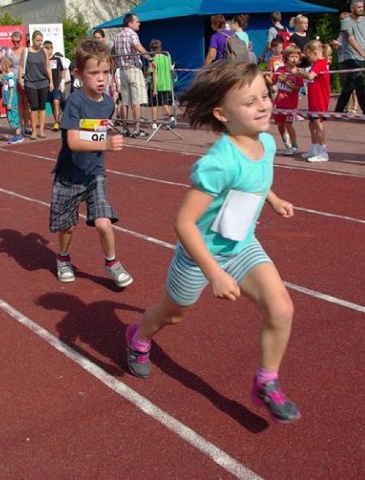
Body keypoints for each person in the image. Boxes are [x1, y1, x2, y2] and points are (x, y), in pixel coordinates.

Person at [123, 60, 299, 424]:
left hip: (242, 246)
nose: (264, 105)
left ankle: (266, 382)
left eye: (264, 96)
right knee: (174, 314)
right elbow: (184, 222)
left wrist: (274, 199)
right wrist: (214, 273)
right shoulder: (218, 162)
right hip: (199, 255)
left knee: (281, 309)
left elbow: (256, 180)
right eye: (250, 102)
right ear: (222, 114)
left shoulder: (265, 141)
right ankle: (138, 337)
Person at [50, 38, 133, 289]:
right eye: (94, 73)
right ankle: (63, 258)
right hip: (69, 174)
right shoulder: (74, 102)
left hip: (95, 173)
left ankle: (112, 263)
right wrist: (106, 144)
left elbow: (99, 131)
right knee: (67, 226)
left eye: (105, 72)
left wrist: (105, 140)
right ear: (78, 74)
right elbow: (74, 142)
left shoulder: (108, 103)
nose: (101, 78)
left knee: (103, 222)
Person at [113, 13, 152, 137]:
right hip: (133, 69)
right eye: (137, 21)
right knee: (137, 100)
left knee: (125, 101)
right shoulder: (132, 34)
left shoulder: (117, 36)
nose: (139, 23)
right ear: (130, 23)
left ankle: (124, 128)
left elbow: (111, 50)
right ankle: (137, 128)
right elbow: (138, 47)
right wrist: (150, 58)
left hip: (122, 70)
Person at [296, 41, 334, 163]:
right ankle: (314, 149)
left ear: (315, 53)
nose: (308, 58)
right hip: (313, 98)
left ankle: (323, 152)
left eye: (308, 56)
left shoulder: (320, 63)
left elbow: (311, 76)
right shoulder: (315, 63)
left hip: (319, 99)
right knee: (312, 124)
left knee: (318, 124)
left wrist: (299, 73)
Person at [270, 44, 306, 156]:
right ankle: (287, 145)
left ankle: (295, 146)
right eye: (292, 56)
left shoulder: (298, 73)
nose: (295, 59)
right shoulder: (280, 70)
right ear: (286, 58)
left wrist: (286, 82)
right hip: (279, 103)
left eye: (297, 57)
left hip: (291, 104)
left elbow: (297, 89)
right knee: (280, 125)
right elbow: (272, 81)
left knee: (288, 124)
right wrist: (266, 78)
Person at [19, 30, 52, 139]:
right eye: (38, 40)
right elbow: (21, 66)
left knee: (42, 107)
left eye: (41, 40)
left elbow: (48, 67)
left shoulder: (45, 51)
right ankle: (33, 131)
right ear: (32, 40)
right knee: (34, 106)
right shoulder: (26, 51)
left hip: (43, 81)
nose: (39, 42)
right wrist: (20, 79)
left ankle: (41, 130)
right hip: (30, 82)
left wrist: (51, 81)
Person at [0, 56, 24, 144]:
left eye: (1, 65)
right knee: (11, 117)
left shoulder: (10, 76)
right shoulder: (6, 76)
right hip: (7, 100)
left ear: (5, 65)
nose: (0, 67)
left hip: (12, 101)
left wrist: (9, 102)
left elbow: (12, 89)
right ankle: (18, 134)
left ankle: (18, 135)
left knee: (14, 117)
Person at [148, 39, 174, 125]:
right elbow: (170, 70)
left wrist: (154, 88)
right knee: (164, 102)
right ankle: (171, 117)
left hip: (157, 85)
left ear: (151, 49)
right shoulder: (167, 58)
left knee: (154, 104)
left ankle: (154, 122)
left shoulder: (152, 60)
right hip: (166, 84)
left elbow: (154, 74)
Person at [44, 41, 67, 130]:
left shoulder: (57, 59)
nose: (47, 50)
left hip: (56, 85)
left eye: (48, 48)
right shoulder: (43, 60)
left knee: (56, 102)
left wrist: (62, 82)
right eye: (45, 48)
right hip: (47, 86)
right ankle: (56, 120)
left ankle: (57, 122)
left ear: (51, 49)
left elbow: (63, 70)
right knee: (52, 105)